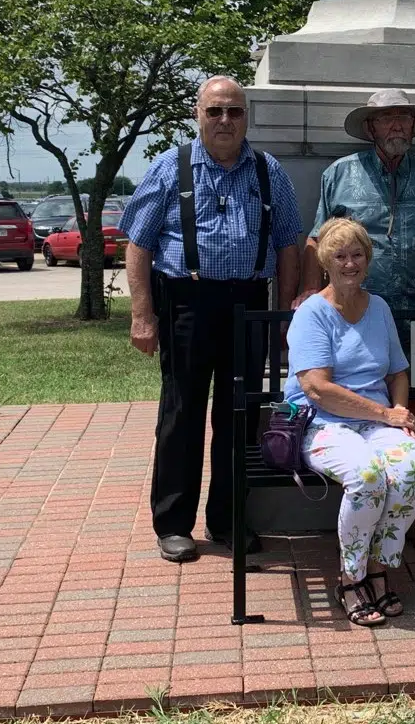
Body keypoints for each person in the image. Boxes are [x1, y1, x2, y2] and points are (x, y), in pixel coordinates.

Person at [122, 76, 302, 563]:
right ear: (198, 115)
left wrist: (282, 313)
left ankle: (227, 520)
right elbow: (138, 244)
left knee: (238, 418)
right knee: (181, 415)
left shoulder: (268, 171)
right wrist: (143, 315)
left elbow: (289, 244)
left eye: (235, 112)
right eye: (215, 111)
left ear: (248, 118)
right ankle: (173, 524)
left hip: (248, 305)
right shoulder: (169, 166)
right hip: (186, 303)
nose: (225, 121)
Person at [297, 88, 415, 557]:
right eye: (387, 119)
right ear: (370, 128)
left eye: (404, 120)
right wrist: (312, 292)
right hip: (353, 313)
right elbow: (317, 239)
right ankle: (369, 508)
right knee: (354, 399)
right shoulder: (340, 174)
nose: (396, 127)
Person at [287, 218, 415, 626]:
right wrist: (387, 413)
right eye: (340, 256)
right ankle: (350, 577)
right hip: (323, 424)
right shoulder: (312, 313)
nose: (350, 263)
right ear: (325, 263)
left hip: (378, 423)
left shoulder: (379, 307)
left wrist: (399, 418)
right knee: (367, 475)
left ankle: (380, 566)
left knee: (412, 467)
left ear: (367, 260)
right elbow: (317, 388)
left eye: (357, 255)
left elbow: (398, 372)